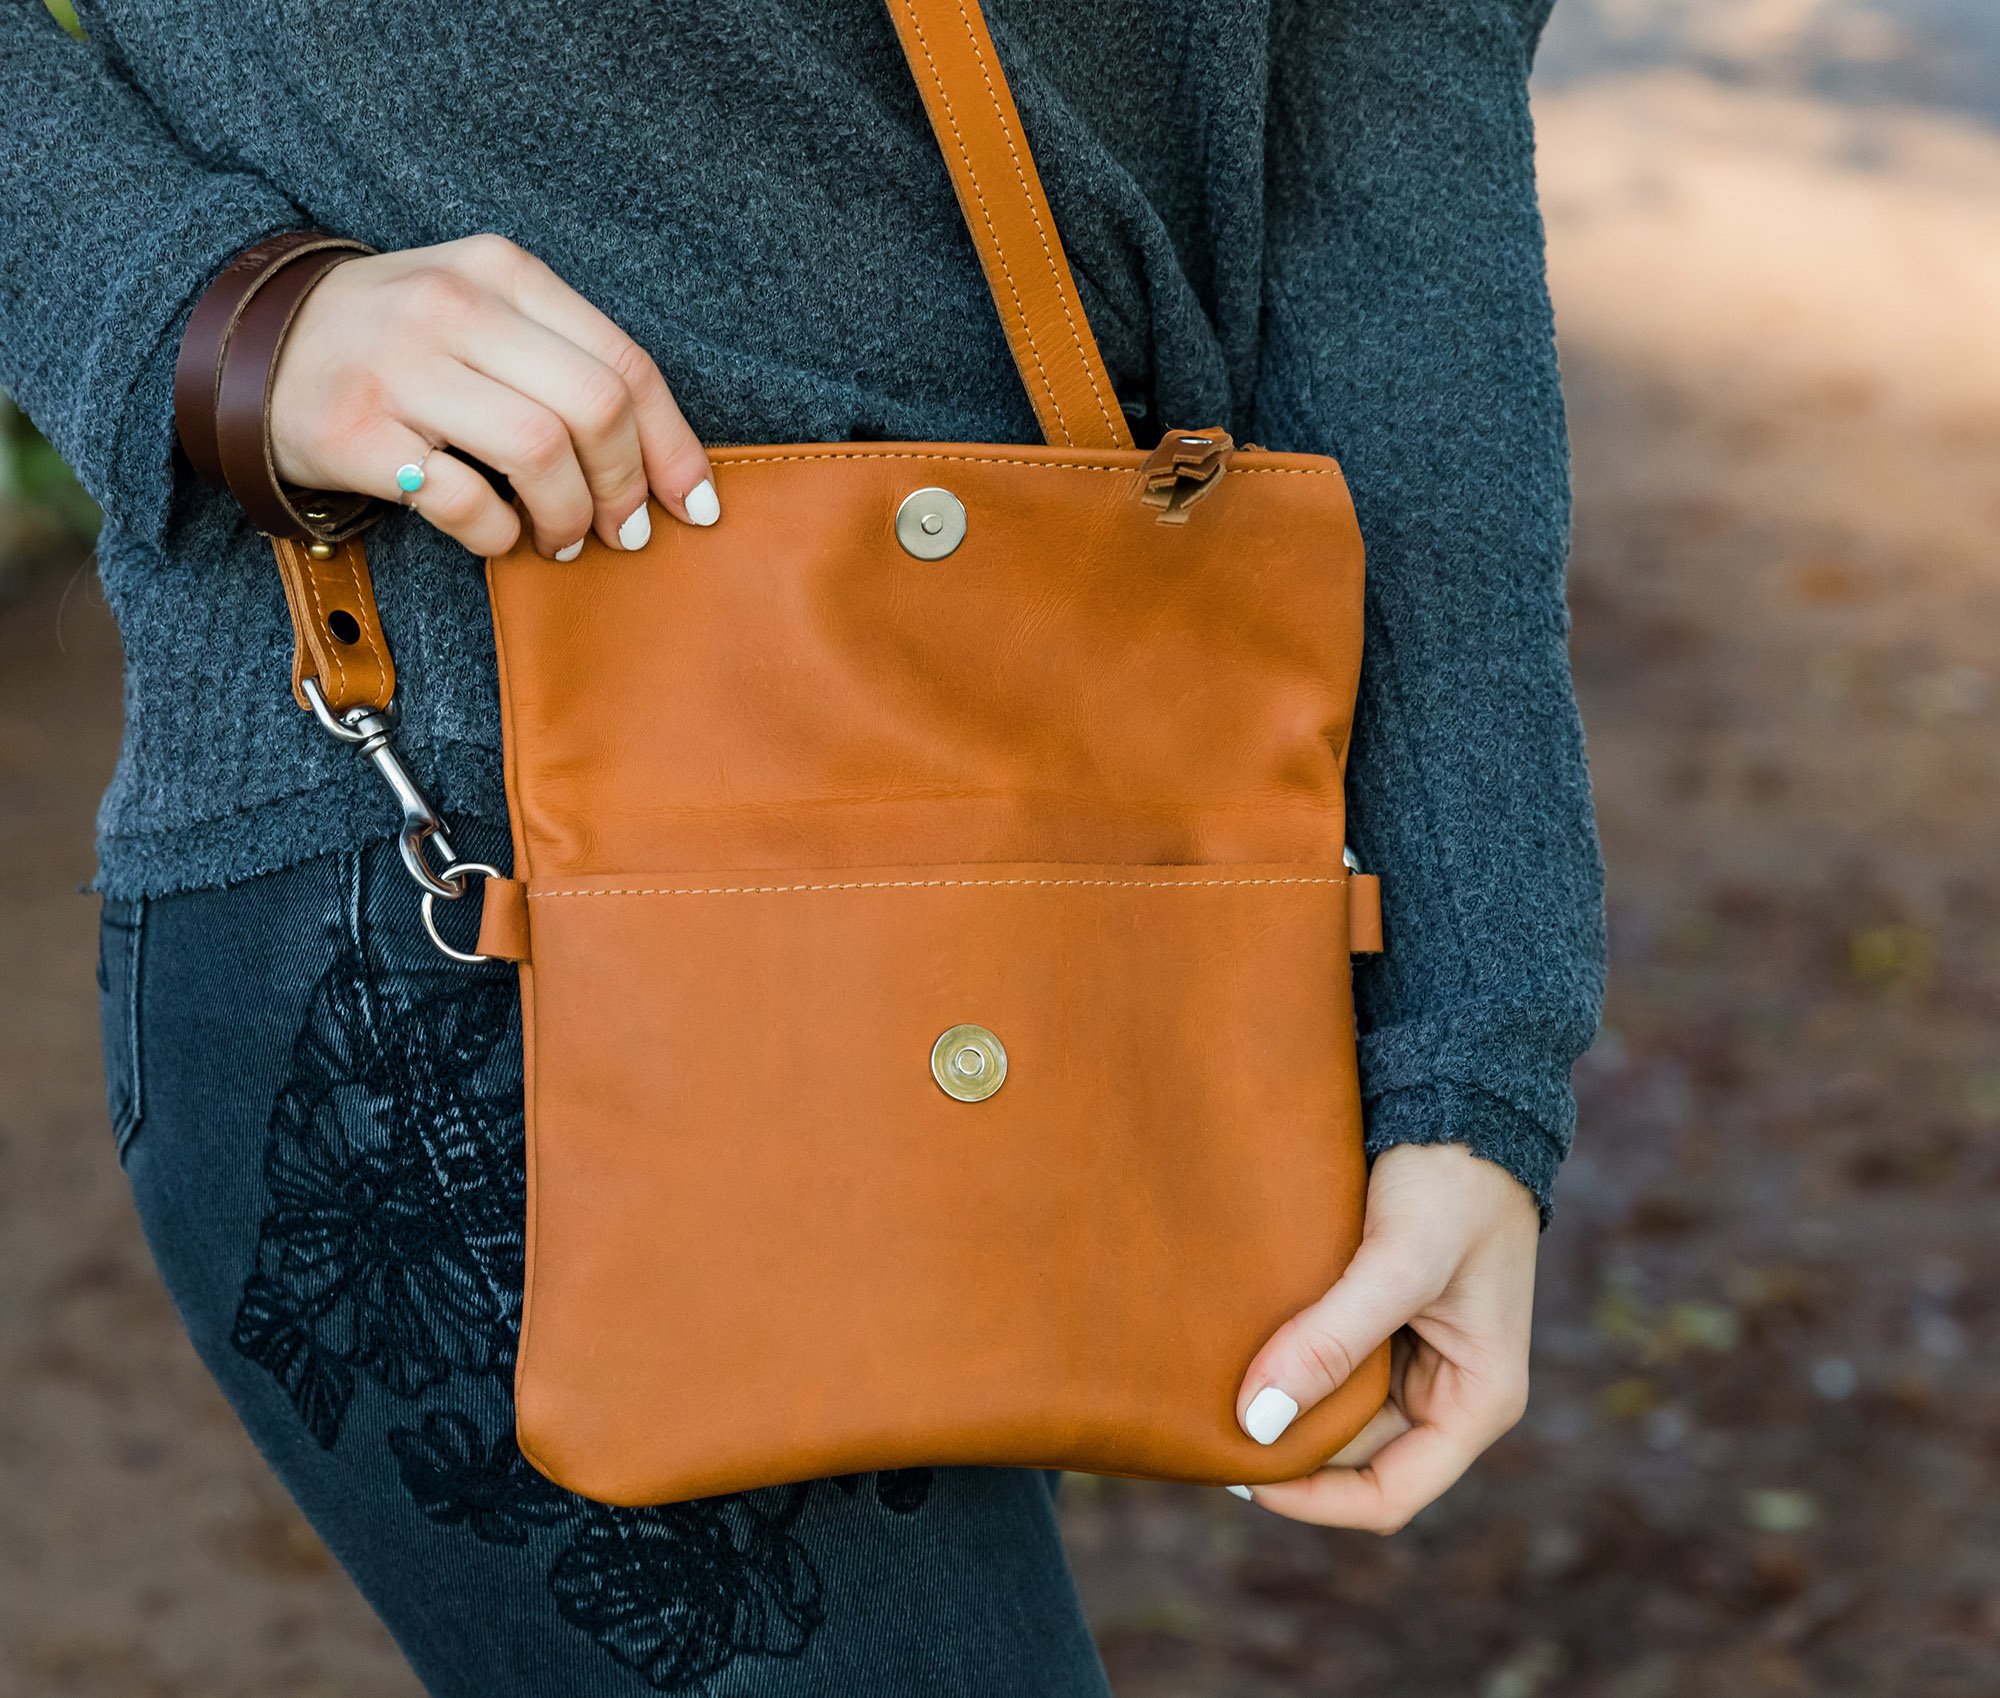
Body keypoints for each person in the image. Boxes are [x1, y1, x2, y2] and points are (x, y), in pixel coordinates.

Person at [0, 0, 1606, 1691]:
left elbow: (1387, 137)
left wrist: (1475, 1033)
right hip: (491, 844)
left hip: (1080, 846)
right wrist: (199, 302)